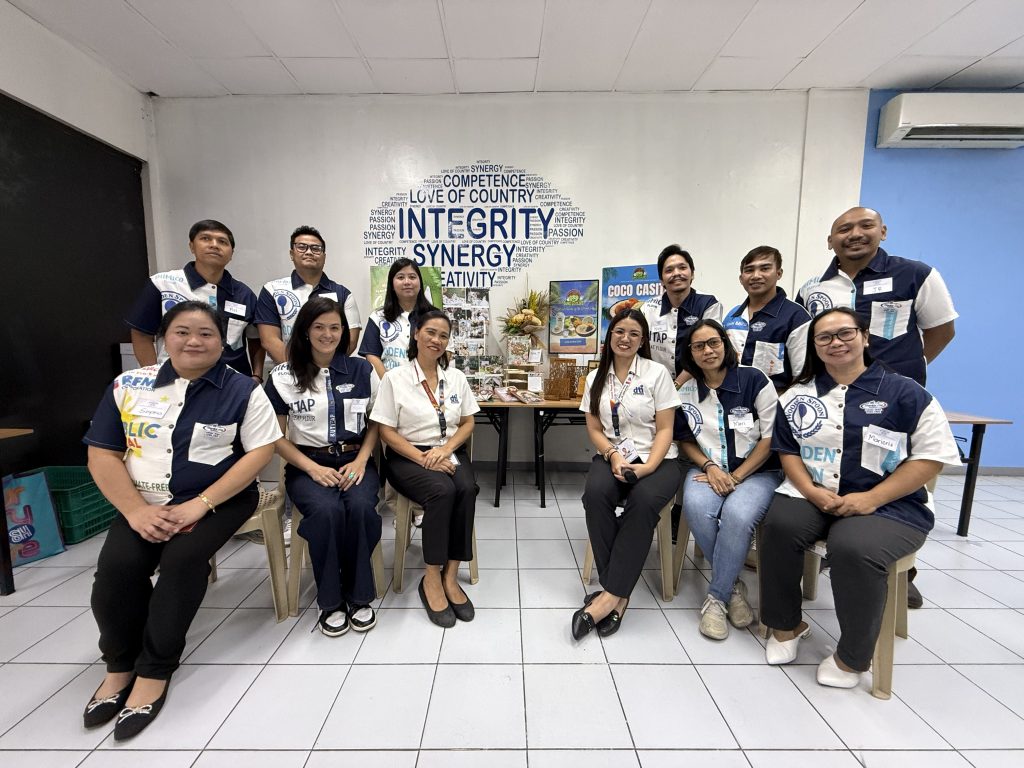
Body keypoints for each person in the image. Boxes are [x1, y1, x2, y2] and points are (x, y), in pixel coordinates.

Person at [83, 301, 280, 740]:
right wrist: (135, 510)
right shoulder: (128, 385)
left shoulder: (244, 390)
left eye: (206, 333)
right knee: (117, 570)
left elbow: (259, 453)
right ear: (163, 337)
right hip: (144, 502)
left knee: (182, 561)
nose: (194, 341)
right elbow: (103, 453)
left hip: (219, 500)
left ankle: (155, 669)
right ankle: (119, 665)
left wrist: (200, 504)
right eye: (182, 332)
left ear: (221, 340)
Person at [759, 307, 959, 689]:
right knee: (778, 526)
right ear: (814, 347)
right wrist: (812, 491)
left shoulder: (906, 393)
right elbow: (788, 452)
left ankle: (852, 656)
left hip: (888, 504)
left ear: (865, 337)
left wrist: (871, 499)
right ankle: (785, 625)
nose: (835, 343)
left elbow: (932, 458)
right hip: (812, 491)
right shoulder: (800, 396)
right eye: (824, 337)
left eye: (844, 333)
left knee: (852, 546)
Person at [796, 206, 958, 607]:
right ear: (830, 240)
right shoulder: (815, 287)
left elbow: (941, 331)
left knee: (898, 481)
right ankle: (841, 548)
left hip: (892, 405)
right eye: (843, 229)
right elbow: (803, 341)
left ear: (883, 231)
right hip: (831, 398)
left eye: (865, 226)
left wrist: (899, 377)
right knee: (835, 473)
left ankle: (900, 568)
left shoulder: (915, 274)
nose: (855, 234)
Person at [265, 297, 382, 637]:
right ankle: (330, 601)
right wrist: (312, 469)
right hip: (307, 464)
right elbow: (275, 435)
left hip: (354, 460)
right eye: (319, 327)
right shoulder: (283, 376)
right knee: (327, 513)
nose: (327, 334)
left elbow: (376, 421)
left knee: (360, 508)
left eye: (334, 327)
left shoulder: (362, 370)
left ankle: (359, 597)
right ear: (304, 331)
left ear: (344, 332)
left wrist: (362, 461)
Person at [573, 309, 681, 640]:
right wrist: (613, 454)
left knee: (644, 501)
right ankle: (618, 595)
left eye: (634, 333)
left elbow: (665, 429)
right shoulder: (596, 377)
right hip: (613, 455)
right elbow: (594, 427)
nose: (626, 338)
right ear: (610, 336)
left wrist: (648, 467)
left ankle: (607, 599)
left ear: (643, 340)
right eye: (620, 331)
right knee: (595, 494)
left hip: (659, 459)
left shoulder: (656, 373)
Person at [371, 309, 480, 627]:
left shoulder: (456, 377)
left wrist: (445, 450)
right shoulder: (395, 378)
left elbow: (468, 421)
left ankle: (450, 574)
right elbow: (385, 431)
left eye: (443, 335)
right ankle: (431, 576)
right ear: (416, 333)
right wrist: (423, 458)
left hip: (448, 452)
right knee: (441, 490)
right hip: (407, 456)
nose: (437, 340)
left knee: (467, 488)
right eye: (431, 332)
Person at [676, 320, 782, 640]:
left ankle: (717, 597)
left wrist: (736, 476)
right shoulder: (687, 391)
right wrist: (709, 467)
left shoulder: (754, 380)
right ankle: (734, 587)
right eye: (699, 346)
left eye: (713, 343)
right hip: (707, 468)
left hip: (757, 471)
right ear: (690, 354)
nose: (707, 351)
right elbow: (686, 440)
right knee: (695, 506)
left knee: (737, 514)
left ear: (725, 344)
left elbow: (770, 438)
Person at [125, 219, 264, 381]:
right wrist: (154, 377)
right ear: (192, 246)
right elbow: (141, 335)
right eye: (205, 238)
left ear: (231, 253)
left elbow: (256, 339)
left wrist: (257, 375)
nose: (214, 245)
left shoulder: (244, 294)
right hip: (177, 381)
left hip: (232, 383)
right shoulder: (163, 284)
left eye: (222, 242)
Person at [255, 225, 362, 364]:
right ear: (291, 254)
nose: (309, 252)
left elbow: (350, 341)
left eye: (316, 249)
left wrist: (323, 369)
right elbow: (269, 340)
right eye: (302, 247)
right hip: (288, 373)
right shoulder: (272, 290)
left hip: (330, 373)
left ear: (324, 256)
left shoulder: (343, 294)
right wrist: (300, 371)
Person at [723, 245, 811, 391]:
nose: (756, 275)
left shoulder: (796, 317)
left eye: (764, 268)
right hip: (733, 404)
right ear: (741, 278)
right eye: (749, 270)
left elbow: (803, 376)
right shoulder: (732, 316)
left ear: (779, 273)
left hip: (776, 403)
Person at [641, 244, 724, 389]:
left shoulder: (708, 304)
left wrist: (676, 385)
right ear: (661, 280)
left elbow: (709, 349)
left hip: (700, 385)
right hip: (656, 387)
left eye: (682, 267)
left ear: (692, 274)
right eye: (669, 270)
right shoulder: (648, 308)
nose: (676, 273)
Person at [359, 258, 437, 378]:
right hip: (390, 389)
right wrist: (389, 384)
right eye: (400, 277)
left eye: (412, 277)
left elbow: (445, 352)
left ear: (420, 283)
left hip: (427, 387)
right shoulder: (378, 316)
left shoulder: (435, 316)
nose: (407, 282)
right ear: (392, 285)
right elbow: (372, 355)